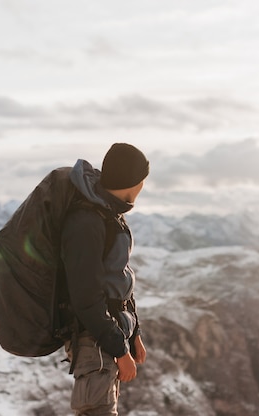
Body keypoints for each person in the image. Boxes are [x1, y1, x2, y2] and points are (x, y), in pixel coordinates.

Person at [61, 143, 149, 416]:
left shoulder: (109, 215)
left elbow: (118, 279)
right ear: (132, 182)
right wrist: (120, 352)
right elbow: (86, 298)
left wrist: (133, 334)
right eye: (142, 180)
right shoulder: (87, 221)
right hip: (95, 343)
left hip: (107, 340)